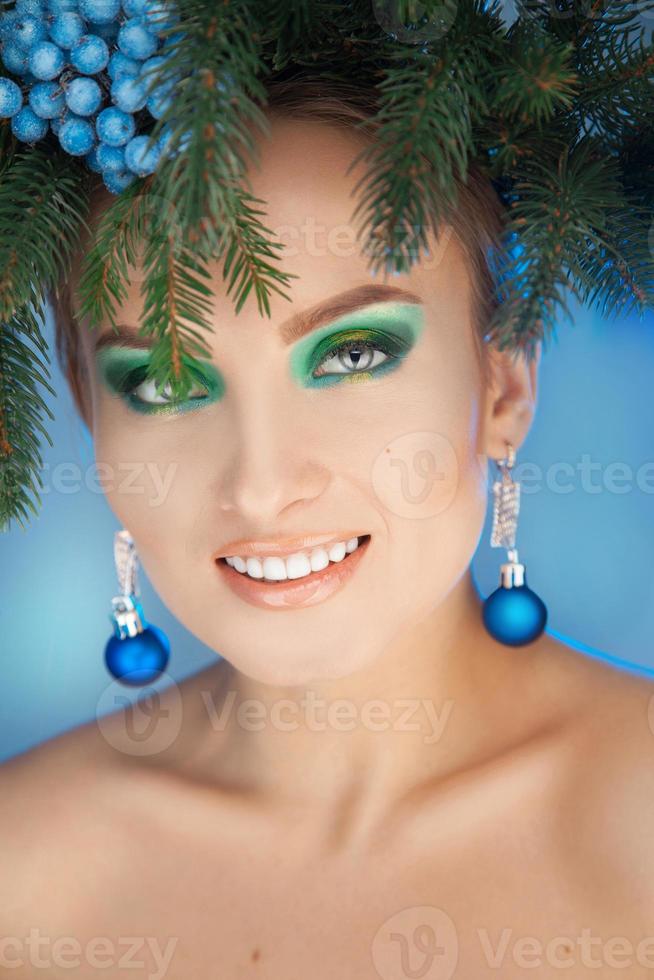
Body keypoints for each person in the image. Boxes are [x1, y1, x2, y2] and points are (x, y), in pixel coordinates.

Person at [2, 74, 654, 980]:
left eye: (351, 354)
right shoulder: (20, 881)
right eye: (164, 383)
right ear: (90, 419)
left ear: (504, 385)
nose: (262, 488)